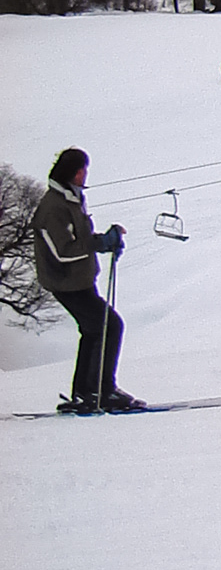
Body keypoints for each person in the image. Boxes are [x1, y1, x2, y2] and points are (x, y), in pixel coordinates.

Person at [30, 148, 141, 413]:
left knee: (95, 330)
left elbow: (80, 240)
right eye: (82, 170)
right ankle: (101, 391)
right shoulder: (53, 208)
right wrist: (100, 243)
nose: (84, 174)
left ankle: (87, 392)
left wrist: (106, 241)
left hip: (79, 280)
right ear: (72, 172)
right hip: (65, 282)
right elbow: (63, 251)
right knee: (109, 326)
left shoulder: (71, 198)